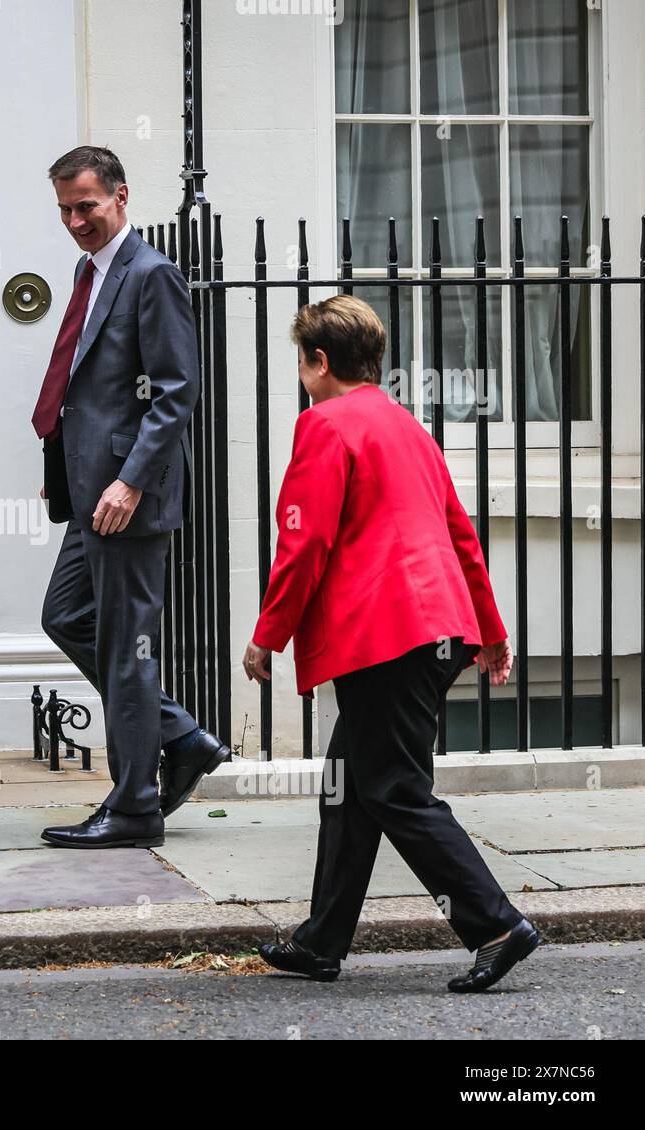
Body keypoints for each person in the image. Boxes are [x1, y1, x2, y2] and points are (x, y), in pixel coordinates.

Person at [244, 295, 541, 992]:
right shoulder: (408, 426)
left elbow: (305, 541)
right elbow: (461, 536)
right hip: (436, 631)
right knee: (351, 787)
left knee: (394, 788)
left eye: (302, 362)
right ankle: (321, 942)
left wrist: (267, 636)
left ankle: (496, 925)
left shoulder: (324, 425)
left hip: (385, 634)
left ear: (320, 361)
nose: (302, 376)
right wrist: (490, 633)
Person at [34, 145, 231, 849]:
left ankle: (135, 807)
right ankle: (181, 737)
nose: (75, 220)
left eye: (86, 205)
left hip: (127, 498)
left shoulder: (152, 274)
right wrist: (69, 468)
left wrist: (130, 480)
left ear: (120, 197)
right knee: (66, 617)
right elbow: (89, 388)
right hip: (91, 494)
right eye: (64, 209)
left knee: (127, 651)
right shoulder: (91, 273)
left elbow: (176, 391)